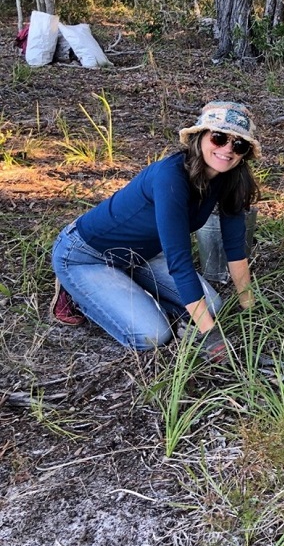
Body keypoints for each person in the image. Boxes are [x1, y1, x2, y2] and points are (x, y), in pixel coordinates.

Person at [49, 101, 261, 360]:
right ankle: (75, 293)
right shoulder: (170, 177)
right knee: (152, 335)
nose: (227, 150)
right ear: (200, 137)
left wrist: (249, 308)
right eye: (219, 138)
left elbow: (235, 248)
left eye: (238, 145)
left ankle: (130, 288)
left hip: (143, 256)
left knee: (213, 307)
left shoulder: (229, 179)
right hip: (88, 256)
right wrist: (211, 336)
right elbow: (178, 260)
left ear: (244, 153)